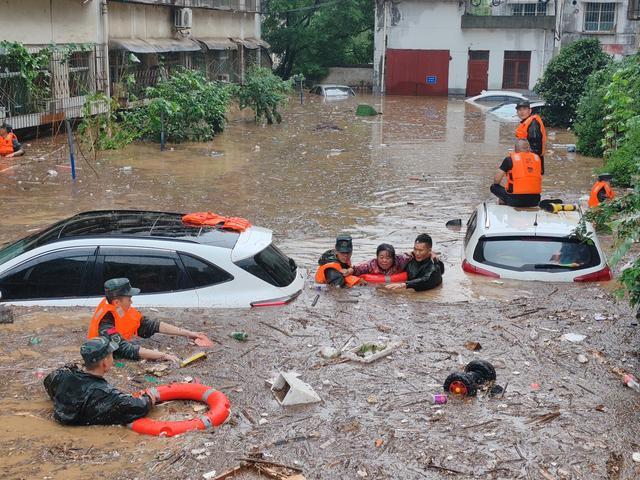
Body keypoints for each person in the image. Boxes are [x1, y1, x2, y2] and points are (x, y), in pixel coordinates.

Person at [88, 278, 213, 363]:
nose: (131, 301)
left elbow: (150, 324)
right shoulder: (105, 324)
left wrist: (191, 334)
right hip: (102, 358)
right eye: (129, 298)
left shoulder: (119, 307)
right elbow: (125, 349)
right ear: (116, 302)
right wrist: (163, 355)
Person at [44, 337, 156, 426]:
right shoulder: (105, 393)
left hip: (63, 418)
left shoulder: (62, 374)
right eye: (111, 356)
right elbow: (139, 407)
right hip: (77, 424)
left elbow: (48, 381)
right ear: (104, 363)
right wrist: (149, 399)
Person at [490, 139, 542, 208]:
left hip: (515, 201)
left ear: (516, 149)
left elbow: (496, 180)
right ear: (529, 148)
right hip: (535, 201)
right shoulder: (537, 159)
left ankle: (503, 202)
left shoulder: (509, 159)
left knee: (494, 187)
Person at [515, 100, 546, 174]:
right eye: (519, 110)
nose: (522, 112)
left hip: (532, 162)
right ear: (517, 112)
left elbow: (535, 147)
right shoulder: (526, 122)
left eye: (524, 109)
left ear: (530, 110)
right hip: (530, 160)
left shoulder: (533, 123)